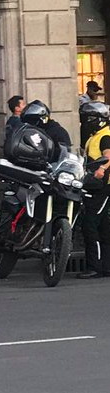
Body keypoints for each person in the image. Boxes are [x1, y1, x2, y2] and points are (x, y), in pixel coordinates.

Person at [78, 101, 110, 279]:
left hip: (102, 187)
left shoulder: (105, 135)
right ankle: (106, 266)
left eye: (89, 118)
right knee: (104, 226)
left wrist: (102, 169)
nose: (86, 121)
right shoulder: (94, 136)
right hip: (94, 185)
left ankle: (95, 267)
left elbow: (108, 155)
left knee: (90, 224)